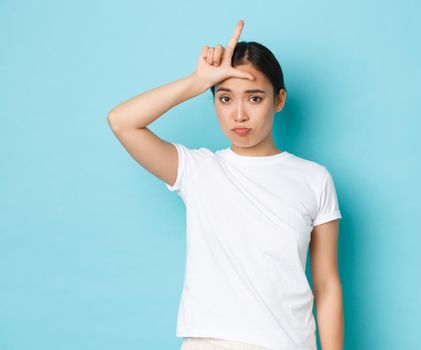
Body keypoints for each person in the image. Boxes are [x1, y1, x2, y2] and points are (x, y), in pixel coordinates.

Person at [108, 19, 344, 350]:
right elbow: (122, 122)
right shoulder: (198, 170)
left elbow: (327, 283)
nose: (239, 115)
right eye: (225, 98)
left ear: (279, 100)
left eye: (255, 98)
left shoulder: (314, 179)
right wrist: (197, 81)